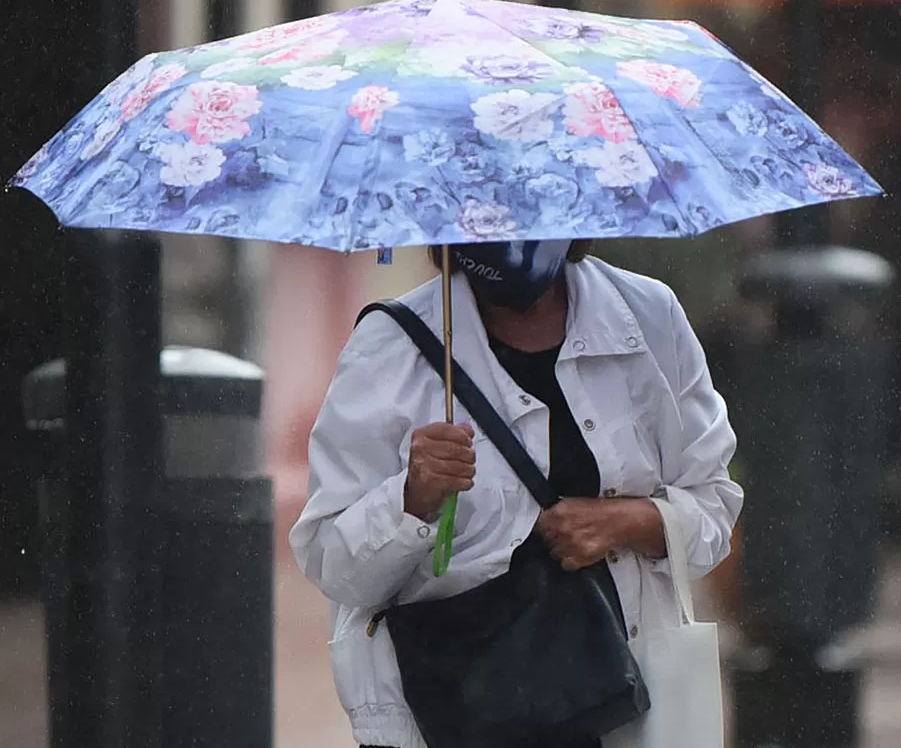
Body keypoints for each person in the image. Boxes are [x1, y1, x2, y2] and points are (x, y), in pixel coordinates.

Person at [289, 239, 744, 748]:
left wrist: (630, 521)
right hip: (459, 713)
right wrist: (410, 501)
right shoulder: (390, 345)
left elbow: (714, 506)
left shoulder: (647, 316)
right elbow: (335, 567)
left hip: (623, 704)